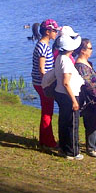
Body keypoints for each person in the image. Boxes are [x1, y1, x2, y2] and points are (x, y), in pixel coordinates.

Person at [53, 26, 84, 160]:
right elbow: (66, 82)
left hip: (60, 93)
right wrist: (74, 100)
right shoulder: (66, 61)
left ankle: (64, 148)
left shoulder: (59, 57)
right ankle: (73, 151)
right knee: (72, 124)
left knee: (64, 121)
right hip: (68, 94)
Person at [31, 19, 59, 149]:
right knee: (47, 112)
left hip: (42, 83)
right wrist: (47, 84)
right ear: (48, 32)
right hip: (43, 84)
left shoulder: (43, 45)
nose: (56, 33)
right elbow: (42, 69)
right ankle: (49, 142)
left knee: (47, 111)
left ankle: (44, 139)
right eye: (54, 31)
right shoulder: (42, 46)